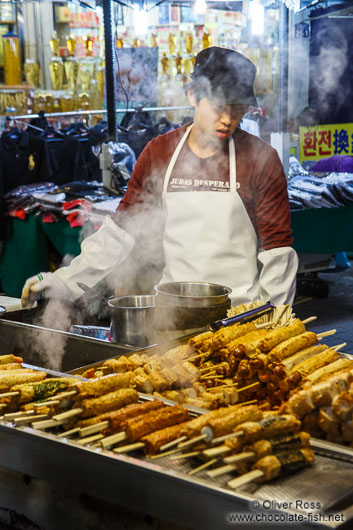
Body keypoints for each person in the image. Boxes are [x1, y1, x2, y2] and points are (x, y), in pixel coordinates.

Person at [21, 47, 298, 310]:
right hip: (172, 310)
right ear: (192, 96)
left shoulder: (261, 159)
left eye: (237, 108)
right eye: (218, 105)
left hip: (238, 312)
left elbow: (277, 251)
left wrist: (273, 318)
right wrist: (62, 281)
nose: (227, 118)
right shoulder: (160, 153)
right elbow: (120, 232)